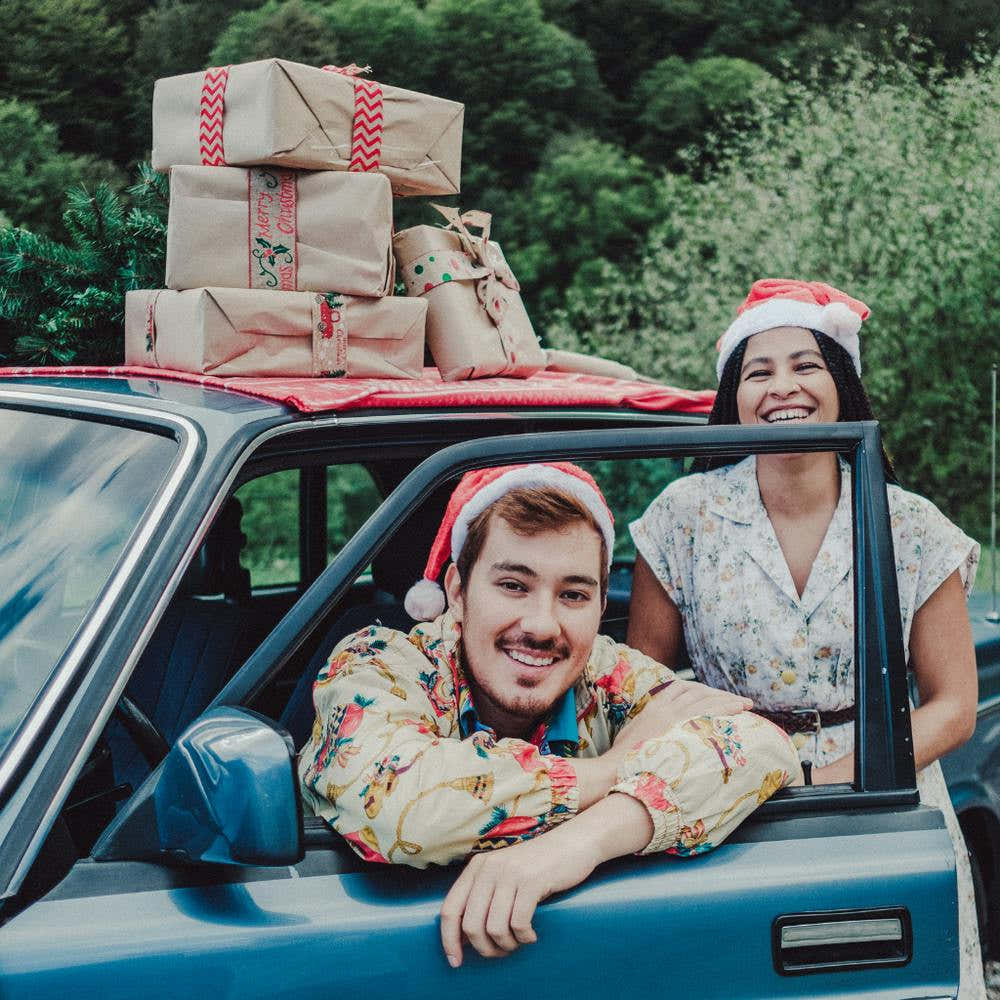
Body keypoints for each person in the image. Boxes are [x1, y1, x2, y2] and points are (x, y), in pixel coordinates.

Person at [627, 278, 984, 996]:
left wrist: (838, 774)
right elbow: (639, 682)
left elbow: (953, 705)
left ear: (840, 385)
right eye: (758, 372)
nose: (782, 386)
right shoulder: (682, 516)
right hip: (726, 788)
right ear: (732, 398)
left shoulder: (909, 522)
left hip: (885, 795)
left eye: (805, 365)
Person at [299, 462, 800, 967]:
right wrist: (611, 767)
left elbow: (761, 745)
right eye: (514, 585)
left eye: (573, 595)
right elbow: (402, 801)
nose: (542, 625)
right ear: (456, 591)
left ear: (602, 605)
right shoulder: (377, 666)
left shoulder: (608, 672)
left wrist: (576, 845)